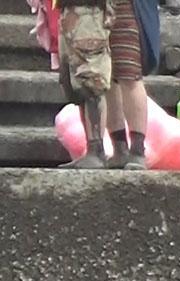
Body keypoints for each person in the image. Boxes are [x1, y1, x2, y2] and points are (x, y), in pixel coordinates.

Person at [55, 0, 113, 169]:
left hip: (90, 10)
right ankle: (91, 149)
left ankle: (97, 149)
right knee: (76, 84)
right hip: (69, 9)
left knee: (92, 81)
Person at [102, 0, 149, 169]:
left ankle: (137, 150)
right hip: (90, 9)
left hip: (126, 7)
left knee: (129, 73)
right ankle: (119, 148)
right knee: (104, 78)